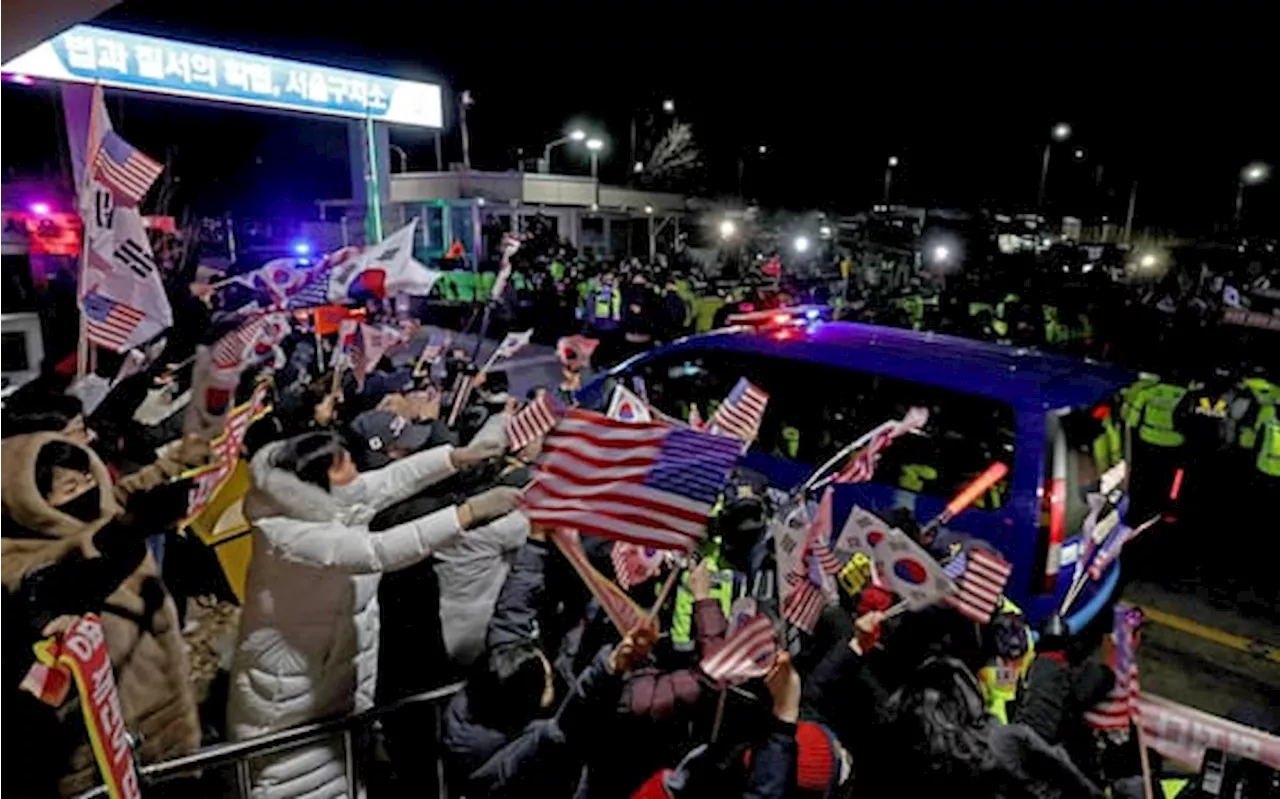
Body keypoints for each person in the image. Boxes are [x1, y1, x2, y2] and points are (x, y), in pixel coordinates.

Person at [226, 430, 518, 799]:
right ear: (318, 478)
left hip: (332, 685)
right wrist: (468, 513)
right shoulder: (287, 535)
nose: (355, 469)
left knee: (343, 773)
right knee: (288, 781)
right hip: (288, 696)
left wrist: (455, 458)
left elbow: (389, 481)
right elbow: (376, 551)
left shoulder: (320, 501)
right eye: (344, 464)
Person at [0, 434, 200, 797]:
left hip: (167, 715)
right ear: (30, 502)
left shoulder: (101, 512)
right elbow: (80, 570)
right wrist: (129, 530)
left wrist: (180, 461)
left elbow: (124, 496)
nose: (88, 491)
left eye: (89, 478)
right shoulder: (15, 562)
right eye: (71, 486)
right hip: (111, 748)